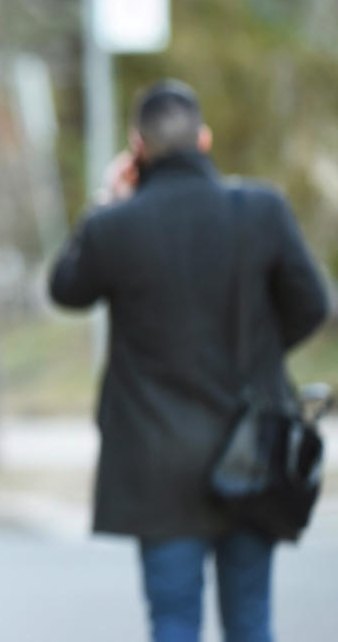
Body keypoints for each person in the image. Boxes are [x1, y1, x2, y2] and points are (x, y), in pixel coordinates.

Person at [49, 80, 328, 642]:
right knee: (251, 622)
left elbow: (66, 288)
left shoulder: (115, 227)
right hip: (254, 448)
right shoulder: (262, 210)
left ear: (137, 147)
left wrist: (108, 198)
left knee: (173, 623)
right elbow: (314, 305)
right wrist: (263, 354)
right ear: (203, 138)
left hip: (157, 465)